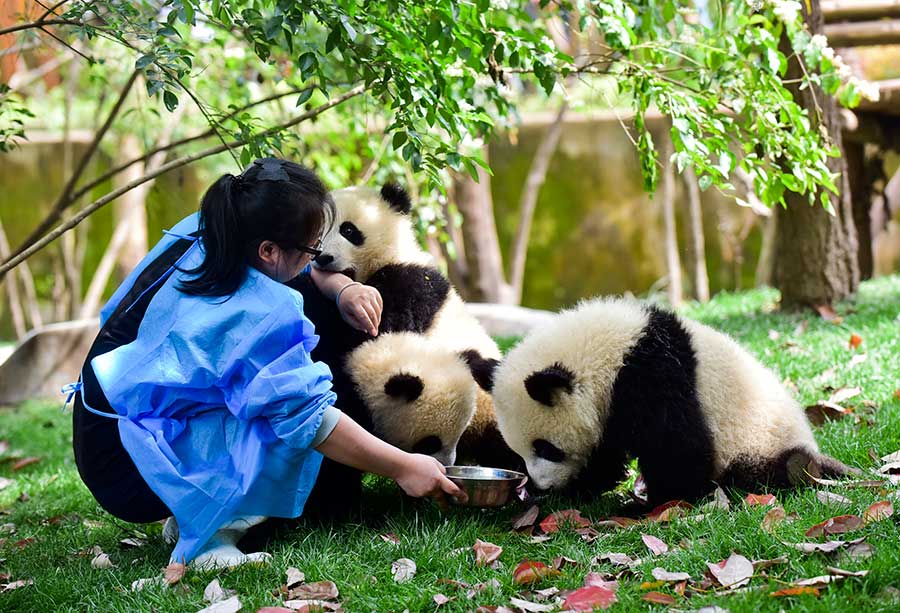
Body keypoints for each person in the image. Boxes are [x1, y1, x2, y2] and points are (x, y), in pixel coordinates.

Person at [70, 157, 465, 569]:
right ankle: (207, 544)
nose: (318, 258)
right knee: (278, 415)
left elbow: (305, 271)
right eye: (313, 246)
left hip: (108, 427)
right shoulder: (251, 310)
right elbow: (311, 420)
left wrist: (341, 288)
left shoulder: (214, 231)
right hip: (126, 470)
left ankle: (193, 508)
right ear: (269, 250)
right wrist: (403, 467)